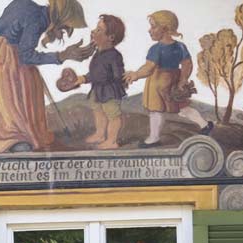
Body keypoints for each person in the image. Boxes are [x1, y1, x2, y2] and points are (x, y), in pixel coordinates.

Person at [0, 0, 93, 152]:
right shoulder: (36, 21)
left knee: (13, 90)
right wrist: (61, 56)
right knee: (10, 94)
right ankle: (11, 138)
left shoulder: (33, 8)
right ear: (58, 19)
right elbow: (26, 56)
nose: (65, 32)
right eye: (65, 27)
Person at [123, 10, 209, 146]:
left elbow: (149, 68)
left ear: (165, 28)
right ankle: (204, 125)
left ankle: (154, 138)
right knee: (182, 108)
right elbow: (187, 64)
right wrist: (182, 79)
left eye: (153, 26)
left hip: (158, 82)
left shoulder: (156, 49)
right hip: (174, 81)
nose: (149, 30)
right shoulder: (180, 46)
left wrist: (136, 74)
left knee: (156, 111)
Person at [80, 15, 127, 149]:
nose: (93, 31)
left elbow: (117, 75)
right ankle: (100, 134)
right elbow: (94, 72)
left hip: (109, 91)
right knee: (98, 111)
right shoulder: (98, 53)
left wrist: (100, 78)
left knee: (113, 115)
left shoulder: (114, 55)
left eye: (99, 30)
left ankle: (112, 141)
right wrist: (84, 78)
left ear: (110, 37)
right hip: (97, 89)